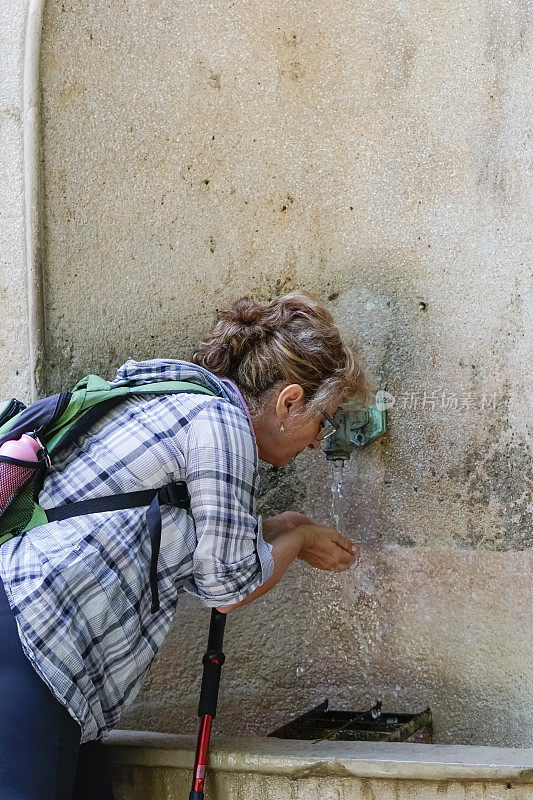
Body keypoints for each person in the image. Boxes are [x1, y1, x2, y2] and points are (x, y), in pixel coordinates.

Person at [0, 291, 371, 799]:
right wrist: (301, 538)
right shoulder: (223, 424)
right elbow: (228, 585)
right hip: (33, 640)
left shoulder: (177, 394)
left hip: (34, 642)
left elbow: (178, 533)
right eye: (322, 421)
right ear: (289, 402)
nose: (317, 442)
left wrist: (274, 527)